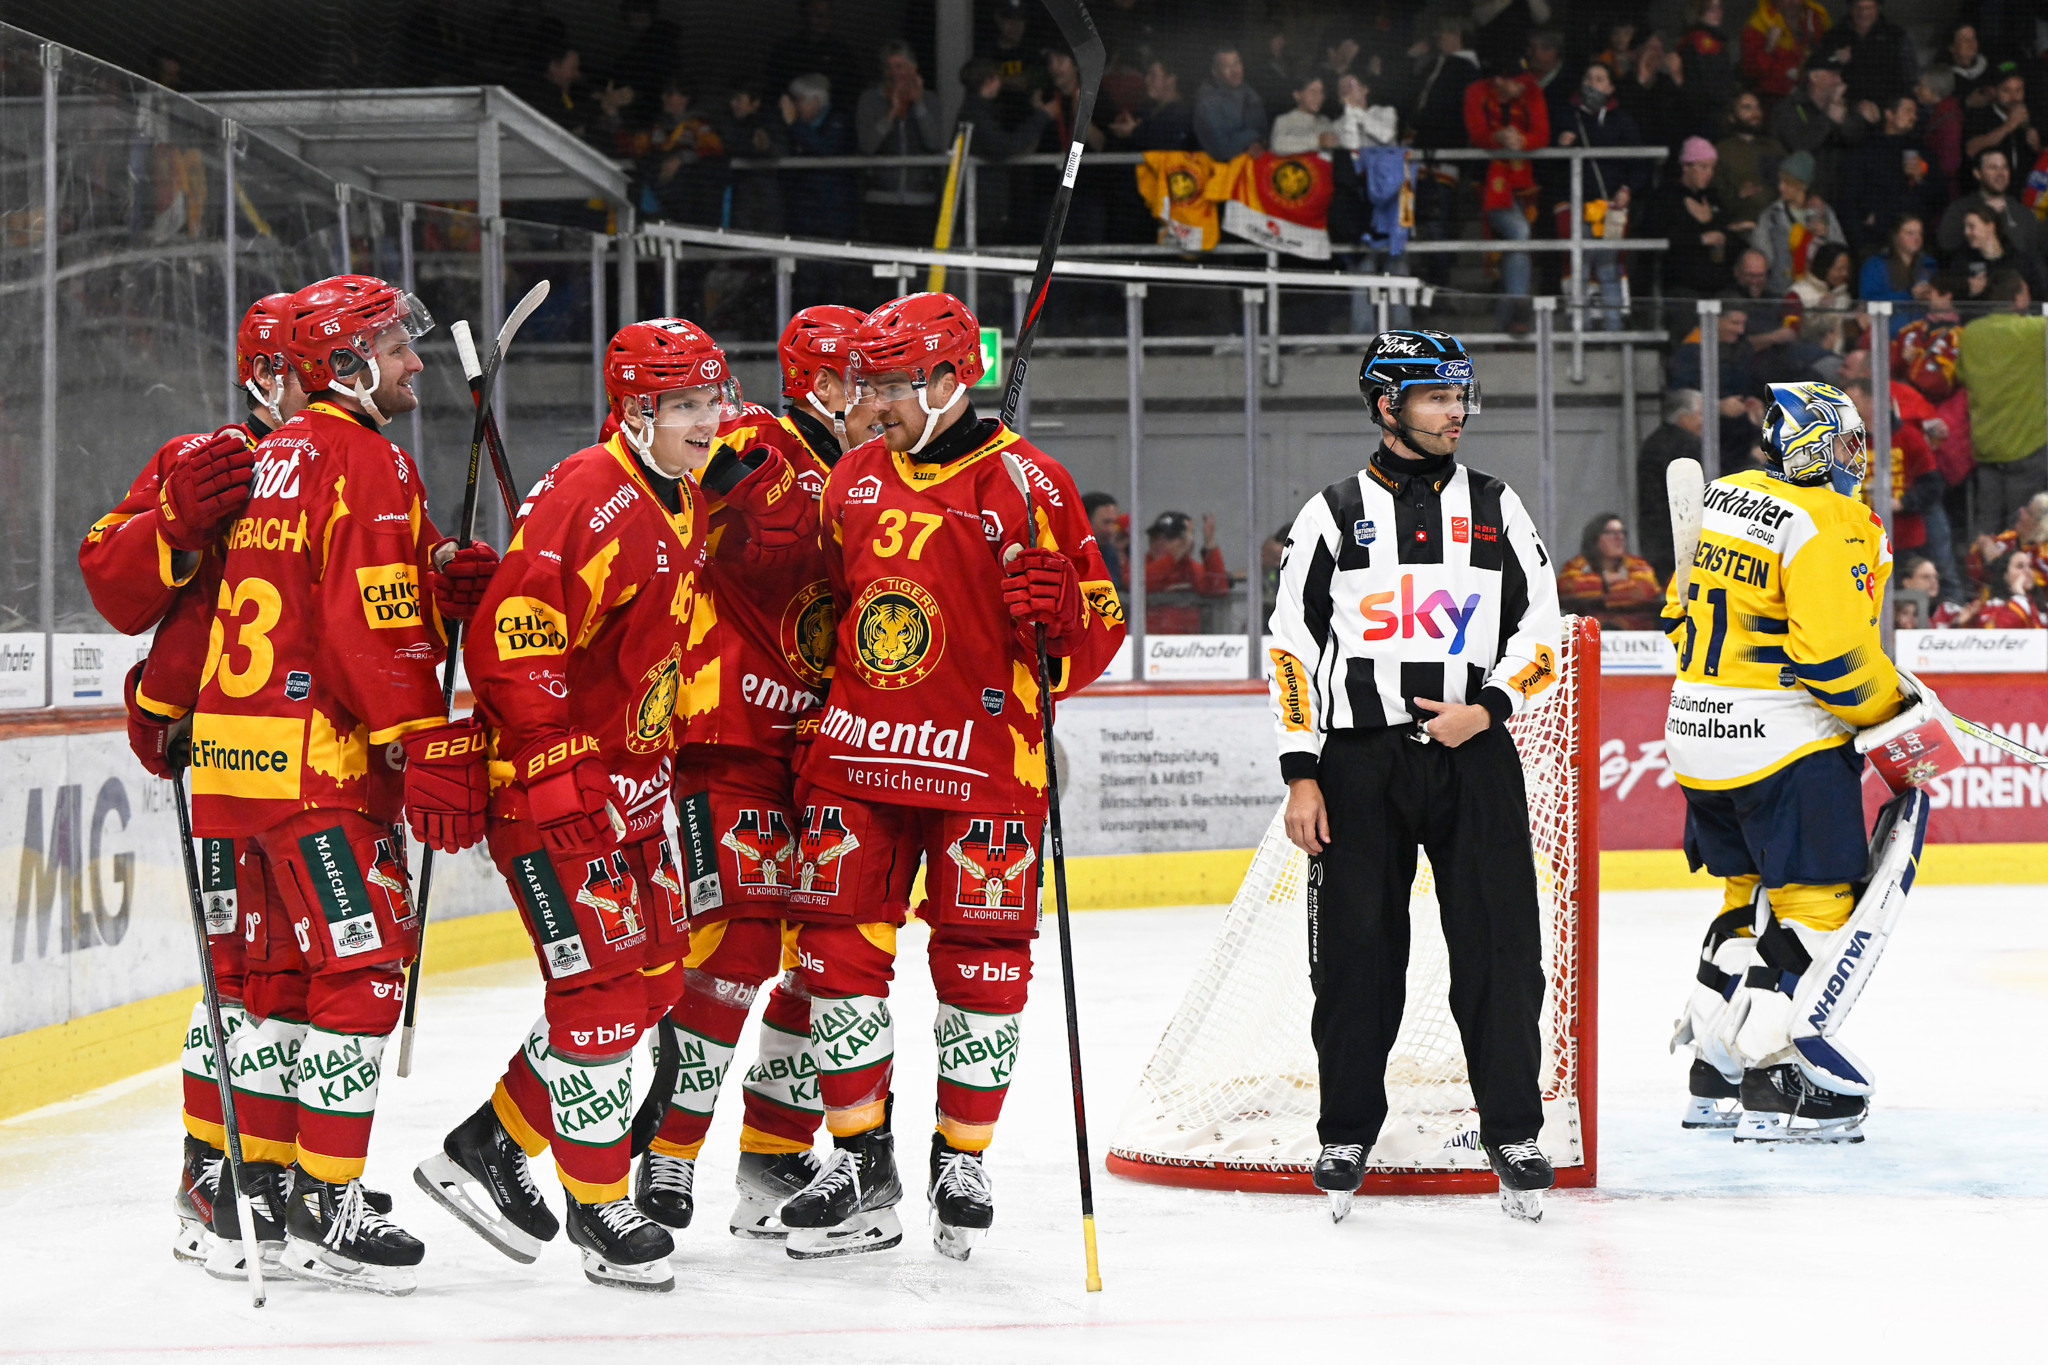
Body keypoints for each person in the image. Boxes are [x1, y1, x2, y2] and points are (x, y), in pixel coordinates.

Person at [778, 292, 1124, 1260]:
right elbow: (825, 612)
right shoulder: (847, 477)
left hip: (983, 768)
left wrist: (1058, 615)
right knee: (833, 962)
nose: (870, 399)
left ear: (946, 380)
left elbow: (1094, 635)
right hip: (855, 757)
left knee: (981, 967)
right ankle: (859, 1160)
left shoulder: (1030, 484)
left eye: (890, 384)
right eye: (866, 382)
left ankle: (960, 1155)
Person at [417, 318, 751, 1292]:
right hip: (557, 797)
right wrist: (557, 767)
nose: (706, 421)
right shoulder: (585, 497)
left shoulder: (677, 492)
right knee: (601, 997)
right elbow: (512, 640)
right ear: (635, 410)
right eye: (685, 406)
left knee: (651, 984)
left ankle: (487, 1142)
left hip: (633, 796)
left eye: (711, 400)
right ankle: (598, 1207)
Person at [187, 275, 491, 1294]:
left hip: (238, 769)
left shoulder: (275, 457)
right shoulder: (367, 457)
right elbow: (372, 629)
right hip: (322, 771)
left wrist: (436, 572)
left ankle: (252, 1193)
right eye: (395, 348)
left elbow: (331, 595)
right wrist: (426, 739)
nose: (414, 363)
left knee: (270, 987)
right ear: (347, 366)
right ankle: (326, 1205)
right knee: (360, 978)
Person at [1267, 329, 1562, 1222]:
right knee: (1357, 954)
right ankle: (1346, 1129)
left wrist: (1493, 708)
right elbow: (1289, 647)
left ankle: (1514, 1128)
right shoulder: (1330, 513)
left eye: (1461, 395)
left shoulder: (1499, 504)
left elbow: (1543, 632)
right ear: (1388, 404)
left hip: (1474, 750)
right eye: (1438, 397)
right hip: (1360, 762)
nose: (1457, 410)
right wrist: (1300, 770)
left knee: (1502, 947)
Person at [629, 307, 878, 1244]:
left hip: (823, 755)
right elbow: (680, 476)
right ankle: (668, 1151)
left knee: (817, 968)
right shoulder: (754, 439)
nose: (886, 402)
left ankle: (775, 1158)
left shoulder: (874, 475)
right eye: (872, 383)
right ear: (822, 385)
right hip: (726, 742)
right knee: (732, 956)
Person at [77, 294, 307, 1270]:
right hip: (227, 763)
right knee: (240, 975)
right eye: (307, 365)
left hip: (325, 769)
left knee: (311, 975)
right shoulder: (205, 458)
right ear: (264, 375)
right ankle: (211, 1169)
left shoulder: (359, 471)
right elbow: (111, 576)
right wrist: (171, 524)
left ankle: (291, 1166)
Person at [1663, 380, 1924, 1143]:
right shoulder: (1833, 519)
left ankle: (1712, 1071)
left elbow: (1680, 613)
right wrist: (1899, 715)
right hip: (1784, 744)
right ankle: (1775, 1077)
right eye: (1845, 442)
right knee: (1814, 908)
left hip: (1698, 736)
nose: (1856, 458)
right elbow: (1835, 661)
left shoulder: (1726, 496)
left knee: (1747, 896)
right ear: (1812, 447)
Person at [1551, 61, 1645, 329]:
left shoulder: (1623, 120)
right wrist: (1559, 144)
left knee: (1609, 269)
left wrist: (1627, 189)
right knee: (1578, 270)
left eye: (1600, 78)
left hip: (1611, 207)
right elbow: (1547, 164)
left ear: (1611, 87)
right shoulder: (1566, 116)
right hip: (1574, 206)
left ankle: (1613, 331)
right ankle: (1581, 331)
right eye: (1589, 78)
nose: (1593, 83)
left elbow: (1639, 163)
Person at [1465, 58, 1549, 333]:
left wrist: (1523, 141)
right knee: (1520, 233)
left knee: (1516, 245)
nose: (1521, 85)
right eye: (1514, 80)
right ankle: (1518, 307)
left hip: (1524, 184)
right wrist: (1498, 138)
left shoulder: (1530, 88)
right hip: (1488, 183)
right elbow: (1477, 133)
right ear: (1499, 80)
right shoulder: (1476, 91)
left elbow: (1542, 133)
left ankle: (1506, 325)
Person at [855, 42, 944, 246]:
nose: (895, 73)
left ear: (914, 69)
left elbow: (935, 142)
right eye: (890, 67)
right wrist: (891, 113)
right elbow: (867, 146)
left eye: (900, 66)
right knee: (884, 270)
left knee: (920, 269)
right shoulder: (869, 99)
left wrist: (919, 104)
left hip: (921, 200)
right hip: (881, 199)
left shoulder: (930, 99)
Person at [1768, 56, 1871, 211]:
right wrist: (1828, 118)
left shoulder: (1844, 104)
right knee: (1805, 236)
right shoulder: (1790, 107)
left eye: (1839, 75)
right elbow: (1800, 145)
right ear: (1814, 76)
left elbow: (1859, 137)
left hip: (1843, 197)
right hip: (1804, 197)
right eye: (1832, 74)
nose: (1838, 80)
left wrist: (1843, 120)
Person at [1839, 96, 1933, 251]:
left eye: (1916, 112)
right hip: (1876, 241)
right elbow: (1848, 198)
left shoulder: (1922, 150)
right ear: (1889, 114)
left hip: (1915, 243)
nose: (1914, 117)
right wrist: (1860, 240)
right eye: (1908, 111)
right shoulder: (1866, 149)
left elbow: (1939, 195)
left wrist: (1921, 179)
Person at [1749, 150, 1844, 295]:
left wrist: (1827, 235)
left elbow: (1841, 252)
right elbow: (1761, 255)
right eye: (1780, 181)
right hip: (1780, 293)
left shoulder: (1824, 213)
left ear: (1803, 185)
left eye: (1788, 183)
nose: (1781, 187)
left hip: (1818, 294)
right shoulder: (1771, 215)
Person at [1653, 138, 1736, 304]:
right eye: (1703, 167)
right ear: (1685, 166)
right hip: (1682, 282)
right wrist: (1700, 239)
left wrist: (1729, 232)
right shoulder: (1666, 197)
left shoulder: (1712, 197)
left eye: (1712, 168)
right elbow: (1659, 236)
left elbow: (1724, 226)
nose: (1709, 173)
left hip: (1717, 281)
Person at [1638, 390, 1706, 582]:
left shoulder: (1654, 441)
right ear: (1684, 417)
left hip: (1657, 540)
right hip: (1683, 541)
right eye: (1700, 414)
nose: (1704, 421)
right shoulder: (1688, 444)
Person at [1556, 513, 1664, 630]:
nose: (1620, 537)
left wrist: (1597, 593)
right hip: (1587, 636)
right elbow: (1566, 588)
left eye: (1622, 532)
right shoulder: (1576, 565)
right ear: (1595, 538)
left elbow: (1646, 590)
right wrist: (1606, 580)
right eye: (1611, 533)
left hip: (1636, 637)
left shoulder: (1638, 564)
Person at [765, 0, 864, 115]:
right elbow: (773, 91)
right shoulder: (785, 51)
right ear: (804, 15)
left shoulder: (842, 53)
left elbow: (855, 91)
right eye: (817, 14)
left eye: (826, 14)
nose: (823, 20)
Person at [1937, 148, 2039, 258]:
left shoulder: (2021, 212)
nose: (2001, 173)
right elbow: (1946, 246)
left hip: (2014, 273)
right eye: (1993, 168)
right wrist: (1984, 214)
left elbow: (2035, 255)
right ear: (1977, 173)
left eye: (2004, 167)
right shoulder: (1960, 208)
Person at [1143, 511, 1229, 634]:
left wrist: (1209, 544)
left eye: (1169, 538)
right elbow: (1140, 583)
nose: (1159, 543)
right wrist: (1174, 557)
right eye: (1155, 537)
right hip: (1147, 645)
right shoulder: (1139, 567)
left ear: (1186, 542)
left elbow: (1218, 588)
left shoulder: (1190, 568)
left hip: (1186, 647)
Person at [1714, 90, 1789, 227]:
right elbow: (1716, 195)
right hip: (1742, 222)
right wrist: (1739, 195)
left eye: (1757, 107)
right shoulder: (1722, 150)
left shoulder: (1774, 147)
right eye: (1747, 108)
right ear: (1731, 116)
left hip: (1779, 221)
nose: (1755, 113)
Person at [1825, 0, 1915, 110]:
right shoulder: (1835, 35)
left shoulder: (1895, 35)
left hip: (1886, 109)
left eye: (1869, 8)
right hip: (1847, 108)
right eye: (1858, 7)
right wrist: (1835, 58)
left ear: (1878, 8)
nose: (1863, 12)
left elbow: (1909, 75)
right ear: (1850, 8)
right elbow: (1817, 68)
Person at [1739, 0, 1833, 101]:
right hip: (1775, 100)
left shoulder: (1815, 16)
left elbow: (1829, 53)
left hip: (1814, 94)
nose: (1792, 2)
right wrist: (1769, 48)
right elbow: (1751, 73)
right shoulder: (1758, 26)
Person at [1955, 208, 2048, 303]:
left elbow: (2040, 294)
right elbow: (1955, 301)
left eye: (1971, 227)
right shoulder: (1963, 262)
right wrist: (1972, 292)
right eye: (1965, 227)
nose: (1966, 232)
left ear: (1990, 226)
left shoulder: (2020, 260)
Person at [1193, 45, 1268, 161]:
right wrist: (1253, 137)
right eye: (1227, 66)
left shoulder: (1250, 93)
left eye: (1237, 64)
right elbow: (1223, 149)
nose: (1235, 71)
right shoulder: (1207, 104)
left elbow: (1265, 132)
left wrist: (1259, 143)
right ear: (1215, 72)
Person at [1962, 71, 2040, 181]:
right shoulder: (1979, 115)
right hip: (1988, 191)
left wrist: (2036, 146)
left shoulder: (2031, 115)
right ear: (1994, 91)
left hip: (2022, 190)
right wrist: (2009, 125)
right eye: (2006, 91)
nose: (2014, 97)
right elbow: (1970, 150)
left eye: (2018, 90)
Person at [1857, 214, 1934, 321]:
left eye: (1920, 233)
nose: (1917, 238)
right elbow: (1869, 302)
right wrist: (1909, 295)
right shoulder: (1874, 265)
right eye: (1910, 233)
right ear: (1896, 236)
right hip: (1887, 329)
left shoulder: (1928, 265)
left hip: (1921, 331)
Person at [1272, 74, 1338, 155]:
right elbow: (1278, 145)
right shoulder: (1284, 120)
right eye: (1313, 91)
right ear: (1297, 95)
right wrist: (1317, 141)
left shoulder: (1324, 121)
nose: (1318, 97)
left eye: (1321, 92)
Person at [1082, 491, 1128, 591]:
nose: (1111, 530)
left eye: (1114, 523)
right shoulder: (1064, 554)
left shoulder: (1110, 552)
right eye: (1106, 522)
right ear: (1085, 521)